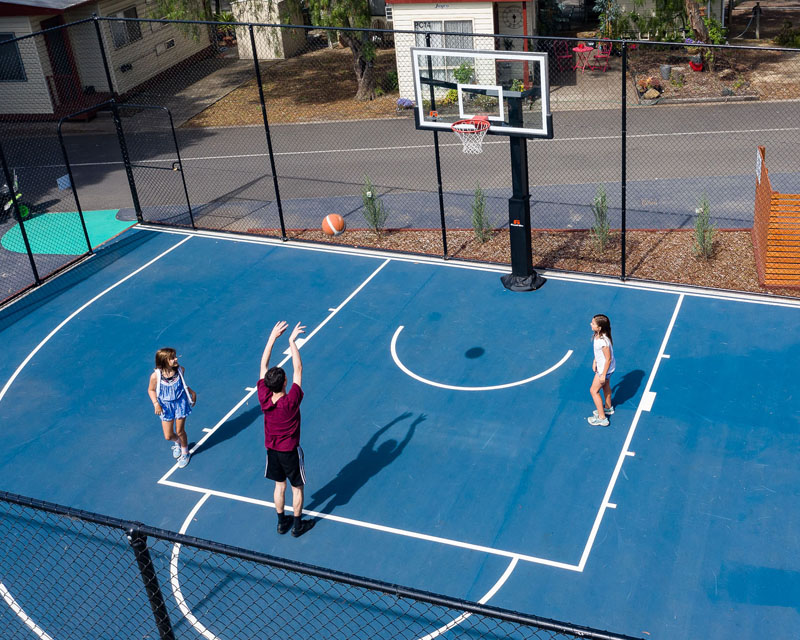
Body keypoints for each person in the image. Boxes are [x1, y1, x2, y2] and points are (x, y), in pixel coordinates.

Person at [257, 320, 315, 538]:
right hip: (290, 451)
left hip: (272, 450)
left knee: (279, 486)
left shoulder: (264, 398)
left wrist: (272, 338)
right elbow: (298, 368)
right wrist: (292, 341)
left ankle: (282, 522)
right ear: (285, 383)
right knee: (297, 487)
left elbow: (263, 366)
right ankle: (298, 525)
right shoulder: (291, 402)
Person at [148, 348, 196, 468]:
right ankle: (178, 442)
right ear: (164, 361)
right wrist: (156, 403)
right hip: (165, 407)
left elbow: (182, 385)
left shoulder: (180, 370)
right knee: (168, 436)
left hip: (180, 403)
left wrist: (192, 393)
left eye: (175, 356)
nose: (176, 359)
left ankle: (185, 452)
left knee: (180, 431)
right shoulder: (155, 376)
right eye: (172, 358)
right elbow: (151, 390)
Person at [587, 314, 615, 427]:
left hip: (605, 369)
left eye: (593, 323)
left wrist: (603, 374)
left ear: (599, 327)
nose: (590, 324)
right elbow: (600, 354)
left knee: (594, 391)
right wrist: (595, 361)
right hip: (606, 368)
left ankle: (602, 418)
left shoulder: (602, 341)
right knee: (605, 386)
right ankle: (608, 408)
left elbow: (608, 359)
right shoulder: (598, 335)